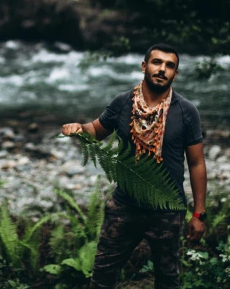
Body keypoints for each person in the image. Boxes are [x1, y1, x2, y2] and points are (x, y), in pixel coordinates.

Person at [61, 42, 207, 289]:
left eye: (169, 66)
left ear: (175, 74)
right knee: (103, 274)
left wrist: (198, 214)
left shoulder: (186, 111)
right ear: (144, 66)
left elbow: (196, 163)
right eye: (156, 62)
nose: (162, 69)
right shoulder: (123, 103)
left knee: (167, 278)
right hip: (124, 205)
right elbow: (95, 131)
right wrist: (78, 128)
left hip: (167, 208)